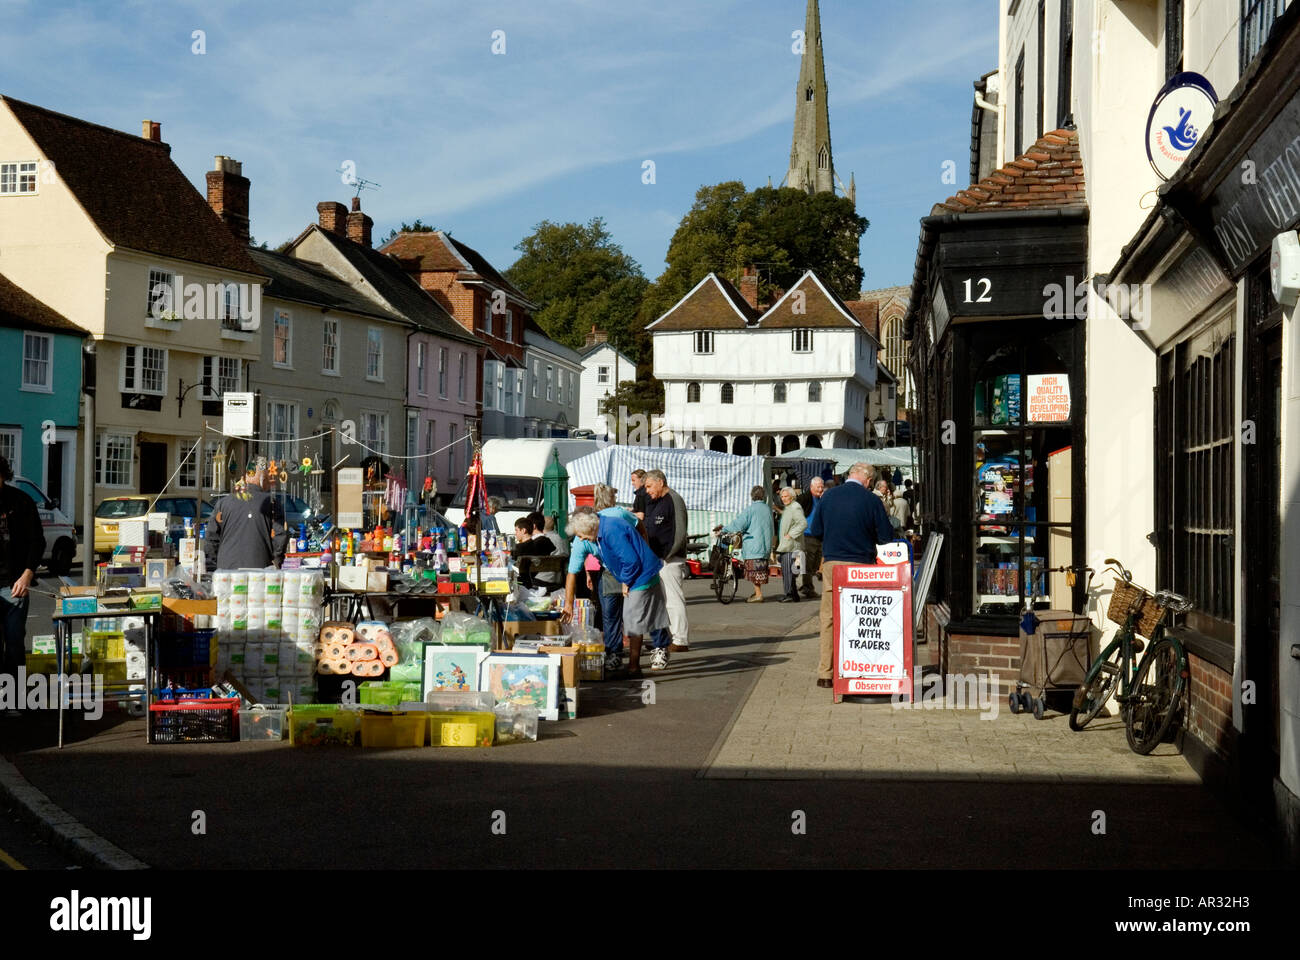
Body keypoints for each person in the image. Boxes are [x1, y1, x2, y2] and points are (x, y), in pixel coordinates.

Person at [807, 462, 897, 688]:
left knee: (829, 617)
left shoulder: (828, 497)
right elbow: (886, 537)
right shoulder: (871, 500)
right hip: (861, 566)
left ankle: (826, 673)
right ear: (867, 480)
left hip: (833, 562)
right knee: (861, 617)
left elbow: (816, 531)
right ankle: (858, 667)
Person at [568, 508, 668, 676]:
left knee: (634, 620)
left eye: (581, 534)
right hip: (638, 574)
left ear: (588, 526)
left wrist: (625, 581)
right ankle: (637, 663)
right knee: (637, 618)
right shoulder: (603, 528)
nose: (581, 539)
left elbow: (631, 560)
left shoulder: (610, 530)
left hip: (640, 576)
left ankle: (635, 666)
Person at [0, 455, 44, 717]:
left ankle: (14, 701)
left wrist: (27, 574)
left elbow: (37, 541)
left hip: (14, 584)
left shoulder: (21, 502)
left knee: (15, 643)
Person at [205, 458, 288, 570]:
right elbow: (280, 537)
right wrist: (276, 561)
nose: (270, 485)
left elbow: (211, 538)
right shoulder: (271, 503)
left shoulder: (223, 503)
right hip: (259, 569)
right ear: (262, 479)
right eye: (269, 480)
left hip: (227, 569)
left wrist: (218, 562)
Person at [641, 469, 690, 657]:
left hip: (669, 559)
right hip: (659, 559)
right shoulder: (658, 502)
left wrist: (668, 554)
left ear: (660, 482)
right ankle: (666, 639)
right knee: (663, 600)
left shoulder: (673, 499)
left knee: (673, 599)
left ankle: (680, 639)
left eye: (649, 486)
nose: (647, 490)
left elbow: (680, 530)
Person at [716, 486, 774, 603]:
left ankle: (758, 594)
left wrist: (724, 529)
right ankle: (757, 592)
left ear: (752, 496)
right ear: (763, 496)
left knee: (754, 569)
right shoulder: (767, 509)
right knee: (759, 569)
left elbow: (739, 524)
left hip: (754, 544)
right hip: (765, 544)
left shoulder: (750, 509)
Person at [775, 486, 806, 603]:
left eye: (786, 496)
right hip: (791, 545)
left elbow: (802, 523)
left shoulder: (795, 507)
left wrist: (791, 534)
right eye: (782, 496)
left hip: (791, 545)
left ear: (792, 496)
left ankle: (789, 594)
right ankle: (794, 594)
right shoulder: (789, 507)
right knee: (792, 571)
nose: (783, 498)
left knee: (789, 571)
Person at [512, 516, 554, 590]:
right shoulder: (542, 544)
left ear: (524, 530)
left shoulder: (518, 548)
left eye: (517, 530)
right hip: (541, 578)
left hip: (522, 582)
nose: (515, 533)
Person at [799, 477, 825, 599]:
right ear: (811, 487)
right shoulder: (805, 498)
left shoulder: (822, 499)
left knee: (815, 563)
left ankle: (806, 585)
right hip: (808, 535)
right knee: (808, 564)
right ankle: (807, 588)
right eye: (818, 487)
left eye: (821, 487)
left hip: (819, 536)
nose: (820, 489)